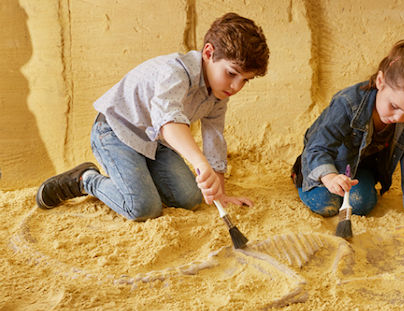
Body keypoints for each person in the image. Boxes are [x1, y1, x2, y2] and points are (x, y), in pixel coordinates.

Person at [36, 12, 269, 220]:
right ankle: (85, 179)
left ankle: (140, 178)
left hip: (155, 142)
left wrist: (221, 192)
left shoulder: (220, 93)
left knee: (191, 199)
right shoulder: (175, 71)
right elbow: (169, 122)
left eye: (245, 80)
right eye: (232, 74)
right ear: (209, 53)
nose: (236, 86)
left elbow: (214, 136)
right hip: (116, 132)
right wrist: (200, 163)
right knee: (143, 208)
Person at [291, 40, 404, 221]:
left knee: (362, 203)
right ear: (381, 81)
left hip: (361, 166)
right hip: (325, 160)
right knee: (325, 202)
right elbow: (318, 146)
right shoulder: (347, 103)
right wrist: (330, 177)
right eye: (394, 106)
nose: (398, 118)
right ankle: (299, 173)